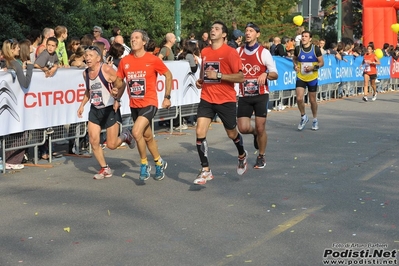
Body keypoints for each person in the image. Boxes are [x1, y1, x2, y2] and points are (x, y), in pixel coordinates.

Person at [193, 20, 247, 185]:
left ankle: (242, 155)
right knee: (199, 131)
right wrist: (201, 81)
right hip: (207, 98)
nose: (213, 30)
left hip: (226, 99)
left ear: (224, 34)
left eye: (217, 28)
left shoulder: (230, 52)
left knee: (232, 133)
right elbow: (205, 74)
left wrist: (219, 76)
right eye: (211, 28)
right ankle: (205, 170)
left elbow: (241, 77)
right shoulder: (205, 51)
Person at [117, 29, 172, 181]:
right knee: (147, 136)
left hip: (149, 103)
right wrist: (117, 99)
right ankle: (159, 162)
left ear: (144, 42)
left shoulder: (152, 59)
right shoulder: (125, 61)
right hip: (135, 105)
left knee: (136, 132)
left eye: (136, 38)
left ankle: (143, 164)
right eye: (131, 37)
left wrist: (167, 97)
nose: (133, 40)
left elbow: (168, 75)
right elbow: (121, 83)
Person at [77, 45, 134, 179]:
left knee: (112, 144)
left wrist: (117, 98)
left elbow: (122, 84)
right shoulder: (85, 73)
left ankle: (126, 136)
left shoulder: (106, 69)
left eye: (91, 56)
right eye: (86, 56)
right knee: (93, 140)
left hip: (109, 109)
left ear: (98, 58)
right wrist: (82, 105)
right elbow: (88, 91)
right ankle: (105, 168)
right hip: (95, 109)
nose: (87, 58)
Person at [236, 22, 278, 169]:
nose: (247, 33)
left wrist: (265, 74)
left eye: (251, 31)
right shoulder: (238, 52)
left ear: (257, 34)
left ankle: (261, 155)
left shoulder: (263, 52)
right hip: (244, 95)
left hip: (260, 94)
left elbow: (275, 74)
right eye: (246, 31)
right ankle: (254, 134)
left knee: (261, 127)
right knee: (243, 128)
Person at [1, 38, 34, 170]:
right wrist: (30, 68)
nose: (19, 49)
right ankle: (12, 160)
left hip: (6, 103)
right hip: (14, 104)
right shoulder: (15, 63)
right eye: (17, 48)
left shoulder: (6, 62)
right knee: (20, 132)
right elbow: (25, 83)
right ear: (12, 49)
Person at [293, 30, 324, 131]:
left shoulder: (315, 49)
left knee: (312, 100)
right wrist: (295, 66)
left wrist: (313, 67)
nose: (303, 38)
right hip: (301, 76)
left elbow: (321, 63)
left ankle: (315, 119)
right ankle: (303, 116)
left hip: (312, 77)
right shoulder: (298, 49)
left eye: (306, 36)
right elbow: (294, 59)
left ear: (310, 39)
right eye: (302, 36)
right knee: (299, 98)